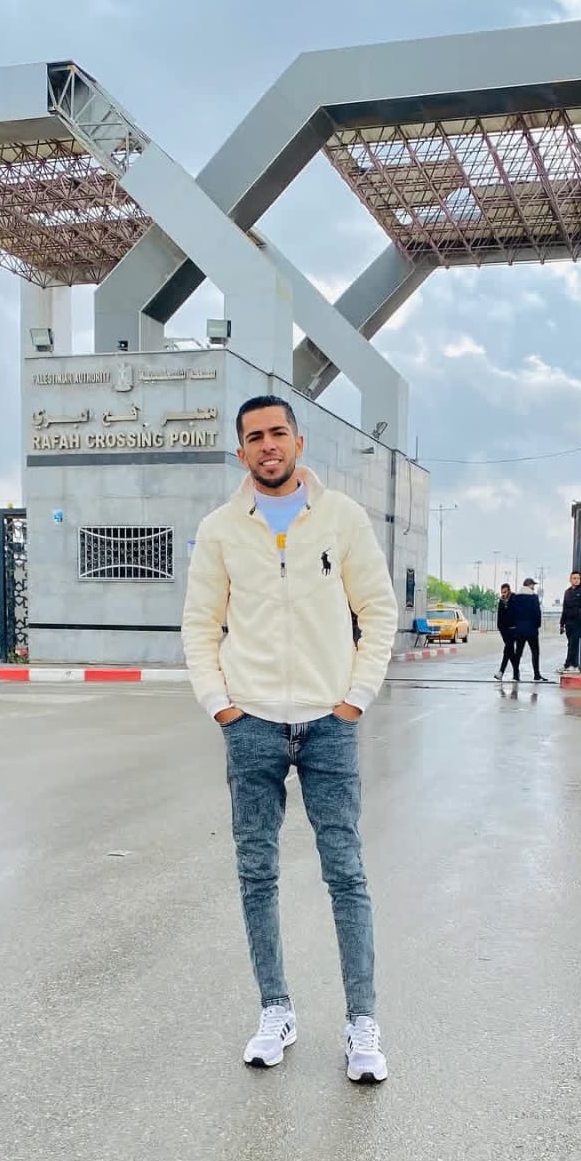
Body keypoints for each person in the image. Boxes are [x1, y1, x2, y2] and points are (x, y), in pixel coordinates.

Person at [182, 395, 398, 1083]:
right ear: (240, 451)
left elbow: (378, 610)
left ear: (299, 442)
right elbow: (199, 625)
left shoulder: (342, 518)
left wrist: (355, 698)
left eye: (278, 433)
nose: (268, 445)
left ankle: (361, 1020)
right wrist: (221, 705)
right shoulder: (220, 530)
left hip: (329, 725)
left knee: (346, 873)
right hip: (251, 725)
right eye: (255, 437)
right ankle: (275, 1008)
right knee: (256, 873)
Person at [511, 576, 548, 683]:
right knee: (535, 652)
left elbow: (513, 613)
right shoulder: (533, 597)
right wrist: (537, 625)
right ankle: (536, 674)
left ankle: (516, 674)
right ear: (529, 585)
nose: (533, 587)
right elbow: (537, 613)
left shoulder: (516, 597)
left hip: (519, 630)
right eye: (533, 585)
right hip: (531, 629)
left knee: (518, 652)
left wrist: (515, 626)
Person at [495, 582, 518, 681]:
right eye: (502, 592)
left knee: (507, 650)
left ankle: (501, 672)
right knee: (510, 652)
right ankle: (516, 674)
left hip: (514, 630)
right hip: (504, 630)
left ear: (509, 591)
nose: (503, 594)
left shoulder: (515, 599)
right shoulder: (501, 601)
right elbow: (499, 616)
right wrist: (500, 628)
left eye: (505, 592)